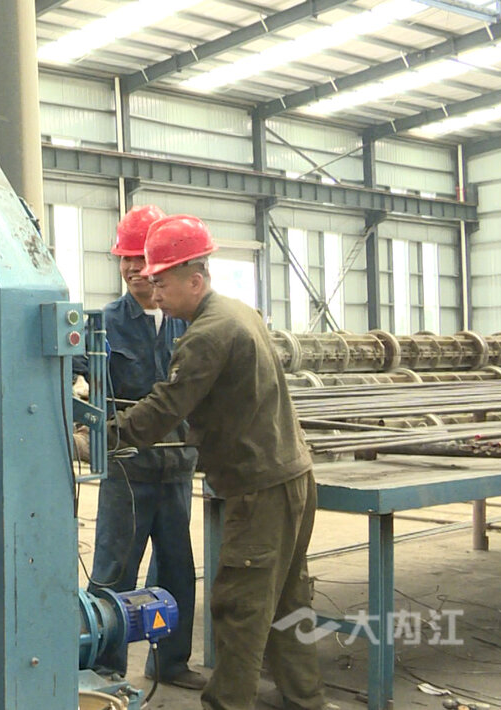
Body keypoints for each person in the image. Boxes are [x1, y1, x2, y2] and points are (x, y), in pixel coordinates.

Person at [108, 215, 325, 710]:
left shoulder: (207, 334)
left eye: (161, 283)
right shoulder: (240, 312)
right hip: (292, 475)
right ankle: (305, 700)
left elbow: (166, 407)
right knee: (287, 601)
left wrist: (99, 439)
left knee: (239, 607)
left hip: (259, 487)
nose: (154, 293)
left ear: (195, 280)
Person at [73, 205, 204, 690]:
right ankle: (103, 668)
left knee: (176, 568)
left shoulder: (188, 322)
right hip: (126, 471)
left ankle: (170, 662)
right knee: (114, 572)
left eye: (139, 258)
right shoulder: (105, 324)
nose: (131, 268)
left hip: (176, 468)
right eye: (124, 259)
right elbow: (66, 375)